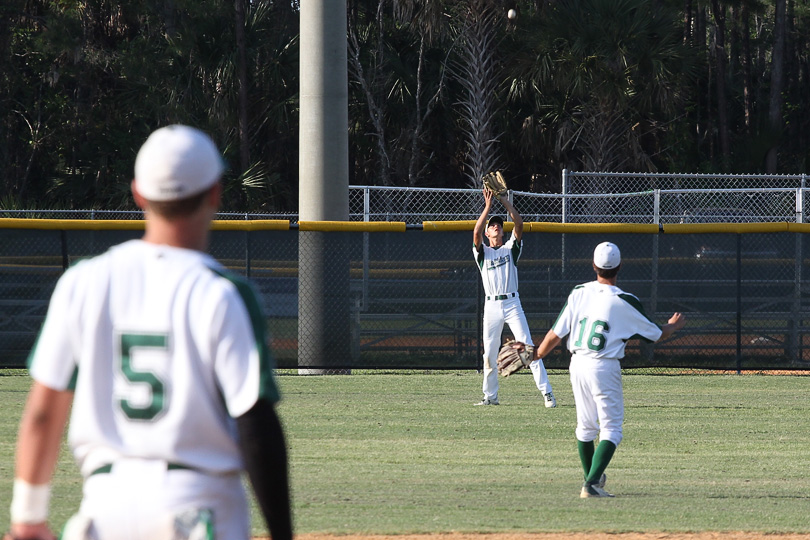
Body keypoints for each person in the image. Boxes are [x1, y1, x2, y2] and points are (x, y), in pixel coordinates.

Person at [6, 125, 293, 540]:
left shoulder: (83, 281)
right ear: (215, 194)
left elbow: (42, 412)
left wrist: (29, 517)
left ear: (139, 194)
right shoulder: (222, 292)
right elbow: (255, 423)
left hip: (104, 511)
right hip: (198, 508)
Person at [525, 241, 685, 498]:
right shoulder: (625, 300)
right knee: (611, 429)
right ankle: (590, 485)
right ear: (619, 267)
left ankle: (592, 480)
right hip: (603, 366)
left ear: (593, 266)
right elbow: (655, 334)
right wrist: (673, 326)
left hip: (576, 364)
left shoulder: (578, 292)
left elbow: (556, 333)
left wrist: (537, 354)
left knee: (586, 427)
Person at [472, 187, 555, 407]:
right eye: (491, 225)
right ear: (488, 234)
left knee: (528, 348)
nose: (495, 226)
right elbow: (475, 234)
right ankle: (490, 396)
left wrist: (505, 202)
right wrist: (488, 207)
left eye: (497, 224)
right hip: (491, 306)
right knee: (489, 354)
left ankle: (547, 393)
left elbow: (518, 225)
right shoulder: (483, 254)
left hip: (512, 303)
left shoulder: (510, 249)